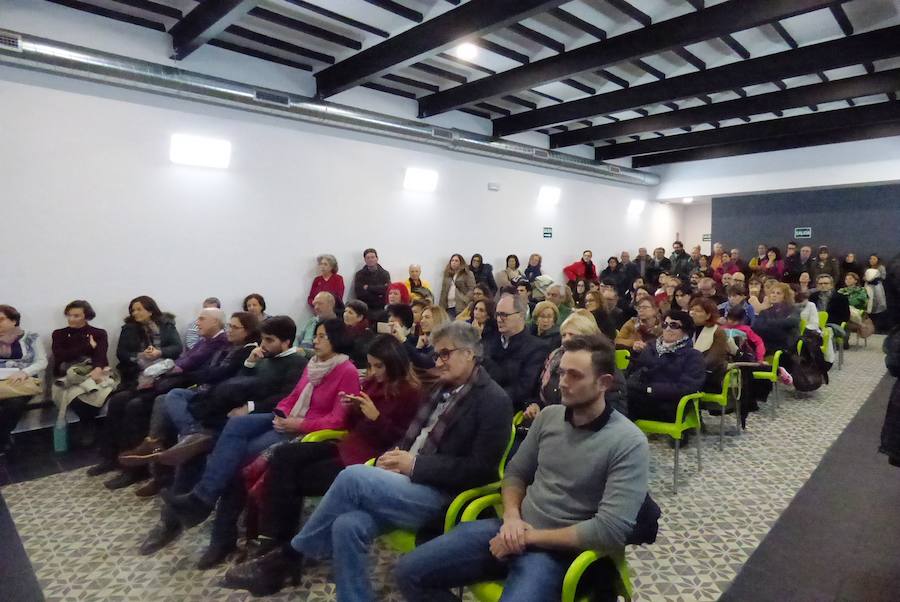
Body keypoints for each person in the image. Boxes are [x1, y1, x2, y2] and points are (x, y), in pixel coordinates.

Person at [220, 321, 513, 599]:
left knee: (352, 476)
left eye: (445, 354)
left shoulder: (494, 401)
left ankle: (288, 556)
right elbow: (412, 438)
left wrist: (414, 465)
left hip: (441, 496)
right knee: (346, 525)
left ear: (469, 354)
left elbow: (482, 470)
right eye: (437, 354)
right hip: (404, 481)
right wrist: (394, 457)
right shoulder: (439, 388)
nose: (438, 361)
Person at [394, 332, 649, 601]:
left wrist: (528, 538)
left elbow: (608, 530)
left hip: (557, 552)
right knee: (408, 572)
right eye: (561, 373)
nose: (562, 383)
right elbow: (515, 473)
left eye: (575, 376)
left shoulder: (627, 441)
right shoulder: (549, 417)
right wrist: (512, 517)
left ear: (604, 383)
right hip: (513, 527)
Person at [162, 319, 359, 531]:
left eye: (322, 337)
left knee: (239, 455)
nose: (315, 341)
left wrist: (297, 424)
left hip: (308, 428)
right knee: (237, 424)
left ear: (336, 339)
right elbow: (292, 396)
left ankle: (203, 502)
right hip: (288, 418)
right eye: (316, 336)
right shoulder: (314, 363)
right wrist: (280, 413)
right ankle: (202, 498)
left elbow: (338, 420)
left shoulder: (347, 371)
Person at [239, 335, 423, 558]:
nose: (374, 371)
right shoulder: (373, 383)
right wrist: (353, 408)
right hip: (348, 446)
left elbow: (400, 441)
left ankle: (281, 544)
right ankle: (275, 538)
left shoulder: (410, 393)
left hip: (369, 458)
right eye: (371, 365)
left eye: (379, 366)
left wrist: (376, 417)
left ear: (394, 363)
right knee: (284, 454)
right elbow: (352, 427)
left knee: (295, 478)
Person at [119, 312, 261, 499]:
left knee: (155, 406)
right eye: (229, 325)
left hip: (217, 397)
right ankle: (163, 444)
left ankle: (182, 443)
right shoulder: (226, 345)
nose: (229, 330)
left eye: (234, 327)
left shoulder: (241, 349)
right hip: (204, 389)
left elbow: (220, 373)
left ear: (248, 331)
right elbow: (199, 365)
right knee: (160, 401)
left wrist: (182, 374)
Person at [87, 296, 182, 485]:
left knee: (134, 407)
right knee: (116, 402)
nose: (135, 313)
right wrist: (140, 357)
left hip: (161, 378)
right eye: (133, 310)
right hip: (136, 376)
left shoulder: (166, 325)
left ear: (150, 310)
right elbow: (122, 354)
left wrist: (159, 353)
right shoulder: (129, 329)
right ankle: (111, 457)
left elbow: (177, 348)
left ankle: (134, 468)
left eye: (139, 309)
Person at [534, 310, 627, 417]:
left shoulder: (604, 367)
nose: (566, 340)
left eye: (572, 335)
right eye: (564, 335)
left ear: (587, 336)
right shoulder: (555, 358)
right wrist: (535, 404)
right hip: (549, 416)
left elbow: (615, 409)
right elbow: (540, 388)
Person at [50, 300, 116, 446]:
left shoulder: (99, 333)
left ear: (86, 316)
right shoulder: (59, 334)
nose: (71, 319)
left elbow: (101, 356)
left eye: (76, 316)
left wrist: (97, 368)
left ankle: (88, 424)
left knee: (98, 393)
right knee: (77, 398)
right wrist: (88, 346)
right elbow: (61, 356)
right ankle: (88, 423)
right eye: (69, 315)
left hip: (93, 372)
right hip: (67, 375)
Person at [626, 310, 706, 423]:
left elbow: (687, 387)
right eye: (665, 325)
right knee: (615, 393)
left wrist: (651, 389)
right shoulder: (649, 348)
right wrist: (635, 354)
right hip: (640, 397)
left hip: (671, 405)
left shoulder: (693, 356)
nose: (668, 329)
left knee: (623, 400)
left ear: (685, 330)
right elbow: (632, 372)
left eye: (674, 325)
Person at [483, 294, 551, 412]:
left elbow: (524, 388)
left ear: (521, 315)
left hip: (510, 409)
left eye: (504, 315)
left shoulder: (537, 348)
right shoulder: (488, 342)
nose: (499, 319)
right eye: (497, 314)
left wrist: (488, 398)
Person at [0, 305, 48, 454]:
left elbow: (42, 361)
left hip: (22, 382)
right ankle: (4, 437)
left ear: (14, 320)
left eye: (1, 319)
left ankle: (2, 437)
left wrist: (25, 372)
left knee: (13, 404)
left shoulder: (30, 337)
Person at [688, 297, 736, 392]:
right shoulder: (686, 330)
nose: (693, 313)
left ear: (708, 315)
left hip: (709, 374)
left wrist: (691, 368)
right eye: (692, 310)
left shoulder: (718, 332)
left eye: (698, 311)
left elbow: (713, 358)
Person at [753, 283, 802, 356]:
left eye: (778, 293)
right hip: (769, 343)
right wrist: (779, 326)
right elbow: (756, 327)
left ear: (785, 296)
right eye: (772, 293)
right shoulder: (765, 311)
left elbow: (792, 322)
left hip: (786, 346)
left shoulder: (793, 309)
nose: (774, 295)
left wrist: (768, 324)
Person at [409, 304, 450, 370]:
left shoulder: (444, 342)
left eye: (427, 317)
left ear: (438, 319)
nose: (422, 321)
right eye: (422, 318)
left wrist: (418, 348)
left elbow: (426, 363)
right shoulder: (422, 341)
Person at [440, 253, 476, 319]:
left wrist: (465, 299)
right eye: (452, 260)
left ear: (461, 262)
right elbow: (443, 291)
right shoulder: (447, 275)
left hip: (460, 306)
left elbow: (472, 289)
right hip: (448, 306)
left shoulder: (467, 273)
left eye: (456, 261)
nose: (454, 262)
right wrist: (441, 307)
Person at [343, 300, 375, 369]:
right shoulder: (344, 329)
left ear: (360, 317)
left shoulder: (367, 334)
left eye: (350, 313)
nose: (346, 315)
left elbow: (359, 355)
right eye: (345, 311)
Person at [866, 255, 889, 331]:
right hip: (868, 287)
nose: (871, 260)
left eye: (874, 259)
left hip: (877, 288)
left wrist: (875, 279)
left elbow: (883, 277)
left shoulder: (881, 267)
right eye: (870, 259)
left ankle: (878, 327)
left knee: (878, 305)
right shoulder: (867, 267)